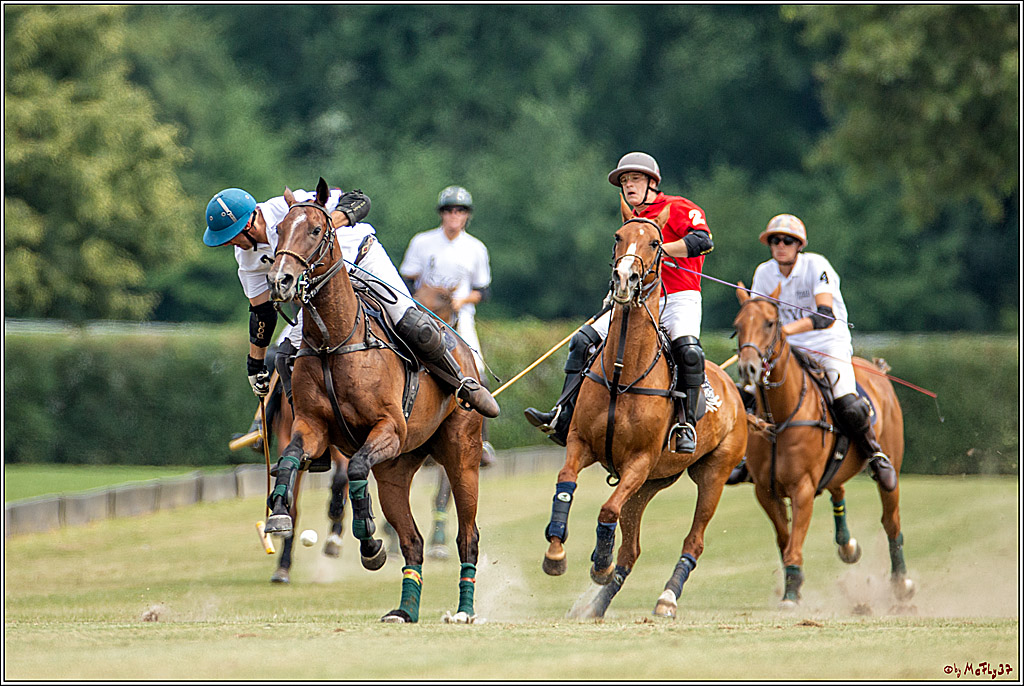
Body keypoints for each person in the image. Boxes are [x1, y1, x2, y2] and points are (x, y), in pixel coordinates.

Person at [203, 185, 498, 443]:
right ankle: (308, 430)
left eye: (232, 235)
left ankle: (464, 384)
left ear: (251, 219)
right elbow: (262, 312)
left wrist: (325, 223)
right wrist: (255, 364)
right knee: (285, 355)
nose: (229, 243)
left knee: (411, 321)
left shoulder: (287, 207)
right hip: (324, 290)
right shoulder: (246, 258)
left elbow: (359, 201)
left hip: (362, 260)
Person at [524, 152, 714, 453]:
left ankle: (685, 425)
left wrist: (660, 249)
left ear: (652, 183)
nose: (628, 186)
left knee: (689, 352)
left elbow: (703, 241)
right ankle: (563, 416)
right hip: (636, 299)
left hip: (679, 297)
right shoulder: (631, 222)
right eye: (624, 181)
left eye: (635, 179)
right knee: (582, 339)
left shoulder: (678, 207)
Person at [726, 214, 897, 491]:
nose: (781, 245)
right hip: (785, 348)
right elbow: (758, 316)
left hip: (827, 343)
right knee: (747, 394)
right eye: (775, 240)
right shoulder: (764, 273)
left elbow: (825, 315)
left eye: (787, 240)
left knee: (847, 402)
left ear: (799, 245)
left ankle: (875, 455)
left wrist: (783, 332)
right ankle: (746, 459)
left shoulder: (817, 266)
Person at [399, 185, 496, 558]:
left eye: (460, 211)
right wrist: (429, 295)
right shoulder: (422, 242)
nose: (454, 216)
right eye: (449, 210)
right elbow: (406, 281)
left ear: (467, 215)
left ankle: (481, 442)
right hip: (423, 315)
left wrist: (461, 299)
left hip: (460, 319)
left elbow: (483, 291)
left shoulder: (476, 248)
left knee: (477, 372)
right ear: (441, 214)